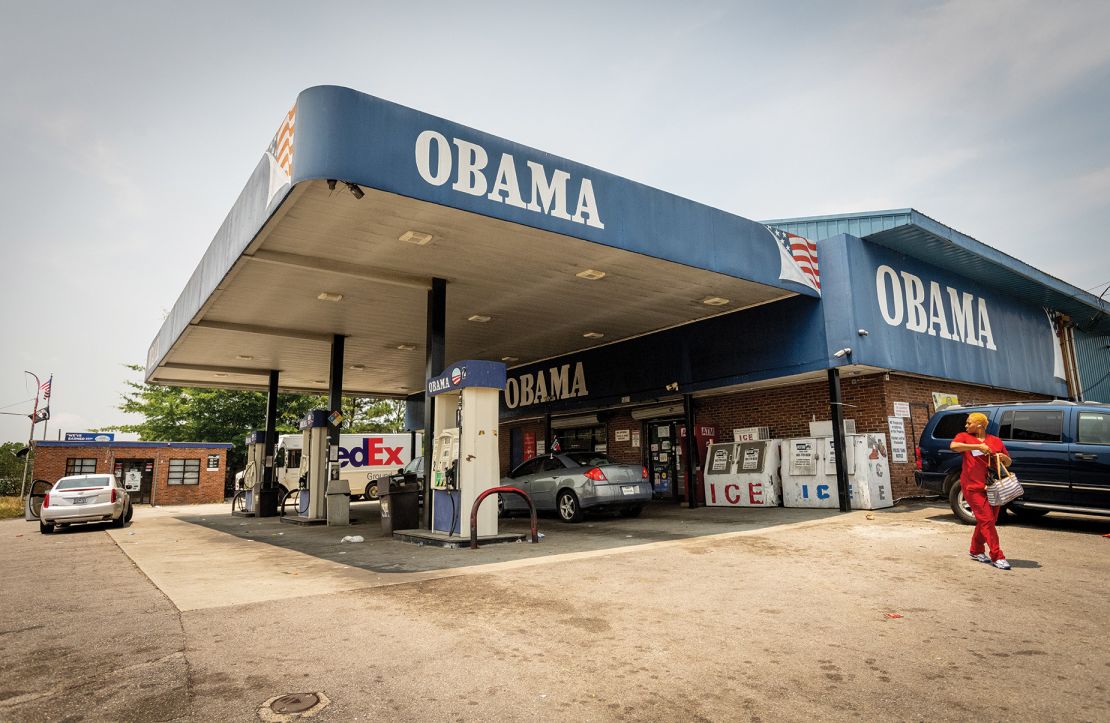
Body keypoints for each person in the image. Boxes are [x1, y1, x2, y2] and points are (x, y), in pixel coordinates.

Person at [950, 412, 1013, 570]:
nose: (966, 425)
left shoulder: (995, 441)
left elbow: (1008, 461)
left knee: (990, 519)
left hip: (993, 486)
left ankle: (976, 550)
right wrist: (977, 446)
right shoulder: (964, 437)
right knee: (986, 520)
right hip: (972, 487)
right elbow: (954, 446)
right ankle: (997, 556)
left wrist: (1001, 457)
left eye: (968, 423)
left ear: (979, 425)